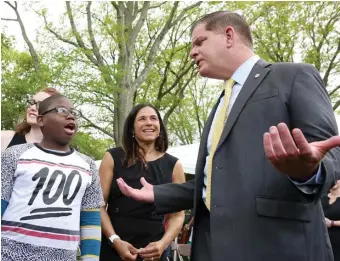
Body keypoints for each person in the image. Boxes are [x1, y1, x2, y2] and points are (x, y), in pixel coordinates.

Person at [116, 11, 340, 261]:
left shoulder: (294, 76)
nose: (192, 52)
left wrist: (308, 171)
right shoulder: (221, 103)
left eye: (199, 41)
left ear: (229, 36)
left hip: (279, 247)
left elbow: (331, 151)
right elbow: (216, 183)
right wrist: (159, 194)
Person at [1, 94, 104, 261]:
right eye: (62, 111)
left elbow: (90, 220)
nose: (71, 116)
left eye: (73, 113)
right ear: (41, 120)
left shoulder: (88, 165)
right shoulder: (14, 155)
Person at [99, 104, 185, 261]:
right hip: (114, 249)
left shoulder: (174, 165)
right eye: (142, 119)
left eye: (154, 118)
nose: (149, 123)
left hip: (154, 252)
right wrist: (115, 240)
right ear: (132, 128)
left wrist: (163, 244)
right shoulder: (112, 157)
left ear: (160, 126)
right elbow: (98, 205)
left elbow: (178, 215)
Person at [1, 87, 59, 152]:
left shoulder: (60, 152)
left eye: (41, 105)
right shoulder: (4, 138)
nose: (32, 107)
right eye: (32, 103)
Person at [323, 180, 340, 261]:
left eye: (337, 178)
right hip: (322, 239)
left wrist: (332, 223)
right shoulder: (322, 198)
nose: (334, 181)